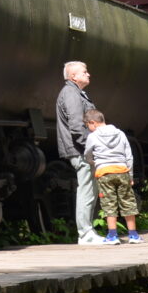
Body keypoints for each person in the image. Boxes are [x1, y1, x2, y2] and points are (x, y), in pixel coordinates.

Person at [56, 61, 102, 245]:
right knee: (87, 190)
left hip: (82, 149)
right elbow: (76, 126)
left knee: (90, 190)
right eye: (84, 72)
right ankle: (85, 233)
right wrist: (90, 147)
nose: (88, 74)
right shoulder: (70, 93)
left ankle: (87, 231)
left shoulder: (76, 92)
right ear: (73, 76)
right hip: (80, 150)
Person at [83, 109, 141, 245]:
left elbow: (88, 154)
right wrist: (130, 174)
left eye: (88, 126)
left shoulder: (93, 136)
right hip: (122, 171)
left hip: (104, 173)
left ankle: (112, 236)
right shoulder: (120, 133)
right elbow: (129, 156)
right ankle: (134, 235)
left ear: (93, 123)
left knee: (109, 204)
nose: (89, 129)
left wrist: (94, 162)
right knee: (127, 202)